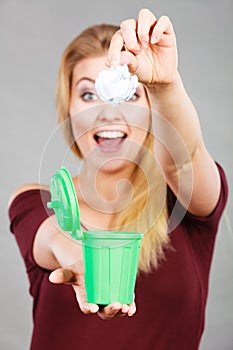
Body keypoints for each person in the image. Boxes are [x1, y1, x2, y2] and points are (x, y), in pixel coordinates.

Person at [8, 8, 228, 350]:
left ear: (152, 106)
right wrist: (81, 260)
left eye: (130, 94)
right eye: (88, 95)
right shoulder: (34, 201)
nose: (108, 112)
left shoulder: (185, 202)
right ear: (68, 109)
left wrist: (165, 86)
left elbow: (183, 163)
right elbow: (53, 238)